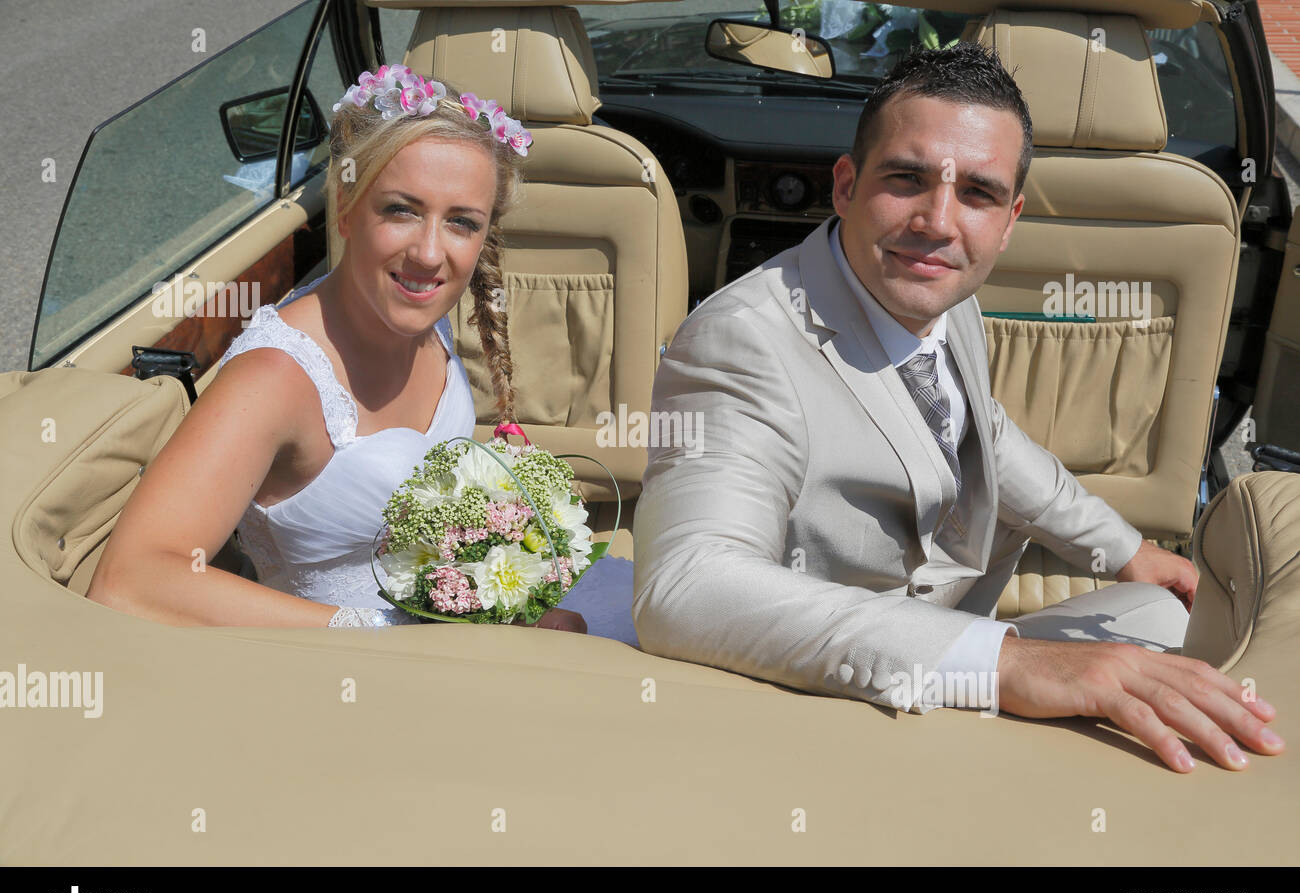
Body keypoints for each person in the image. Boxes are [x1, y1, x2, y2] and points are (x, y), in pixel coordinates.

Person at [632, 43, 1285, 773]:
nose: (938, 223)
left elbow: (987, 434)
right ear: (845, 185)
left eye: (977, 193)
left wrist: (1124, 550)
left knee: (1185, 642)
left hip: (945, 657)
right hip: (815, 711)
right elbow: (687, 587)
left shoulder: (942, 294)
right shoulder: (740, 342)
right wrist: (1002, 663)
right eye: (906, 179)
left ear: (1010, 220)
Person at [87, 65, 583, 632]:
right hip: (328, 677)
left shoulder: (426, 318)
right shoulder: (275, 376)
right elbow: (131, 580)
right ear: (345, 206)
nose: (428, 253)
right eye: (402, 210)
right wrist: (375, 636)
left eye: (461, 223)